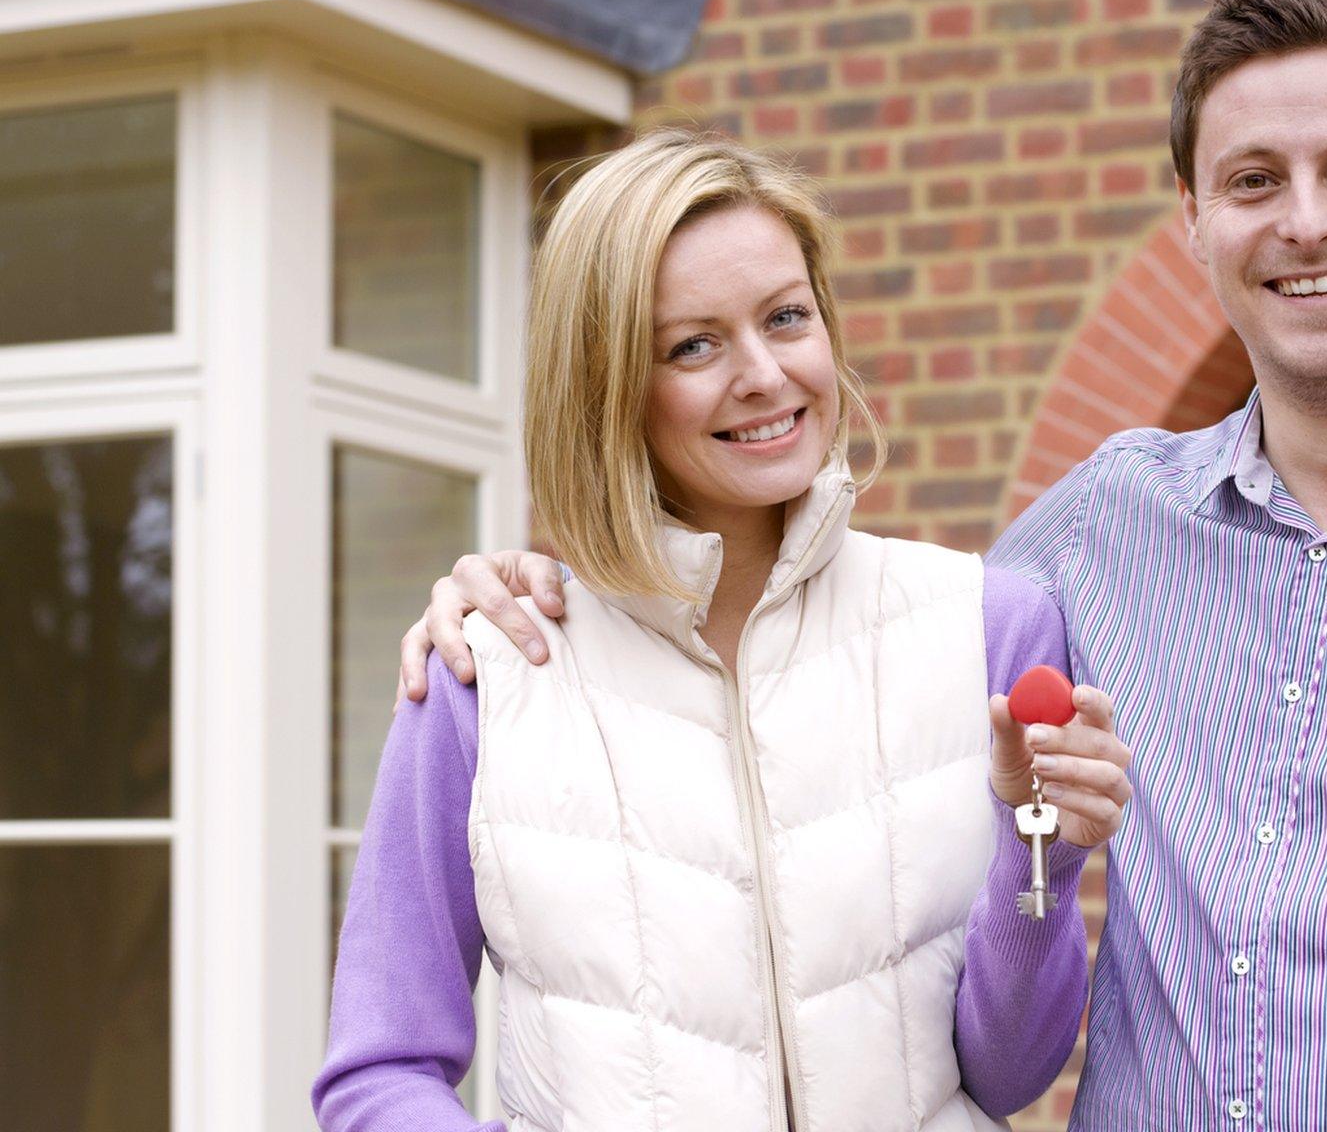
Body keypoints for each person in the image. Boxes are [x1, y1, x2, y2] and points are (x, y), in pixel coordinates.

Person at [398, 0, 1327, 1127]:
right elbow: (827, 626)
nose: (1305, 222)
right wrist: (536, 589)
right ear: (1192, 218)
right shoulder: (1096, 534)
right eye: (1251, 182)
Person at [315, 130, 1134, 1131]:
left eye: (785, 319)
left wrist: (1034, 841)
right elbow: (379, 1072)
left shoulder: (987, 626)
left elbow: (1009, 1075)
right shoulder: (486, 671)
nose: (761, 374)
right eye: (691, 344)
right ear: (607, 383)